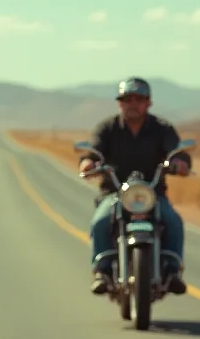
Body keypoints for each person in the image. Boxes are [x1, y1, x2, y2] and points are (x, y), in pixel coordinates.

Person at [78, 77, 192, 296]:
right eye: (127, 99)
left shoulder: (162, 128)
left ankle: (173, 270)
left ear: (149, 102)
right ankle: (101, 271)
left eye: (139, 99)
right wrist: (88, 162)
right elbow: (93, 151)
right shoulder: (107, 128)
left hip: (152, 193)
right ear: (119, 103)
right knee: (100, 221)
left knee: (173, 221)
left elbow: (177, 152)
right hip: (115, 193)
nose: (133, 104)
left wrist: (180, 163)